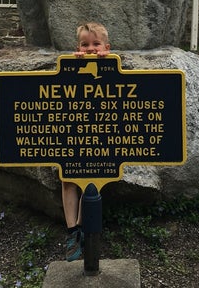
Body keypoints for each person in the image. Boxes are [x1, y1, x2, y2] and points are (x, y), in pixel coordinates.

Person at [63, 22, 111, 262]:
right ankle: (72, 231)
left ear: (106, 46)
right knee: (68, 179)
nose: (91, 49)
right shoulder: (72, 64)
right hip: (73, 129)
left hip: (99, 131)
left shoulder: (111, 63)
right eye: (85, 44)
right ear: (78, 47)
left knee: (90, 179)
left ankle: (82, 227)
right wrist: (74, 62)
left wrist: (108, 59)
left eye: (96, 44)